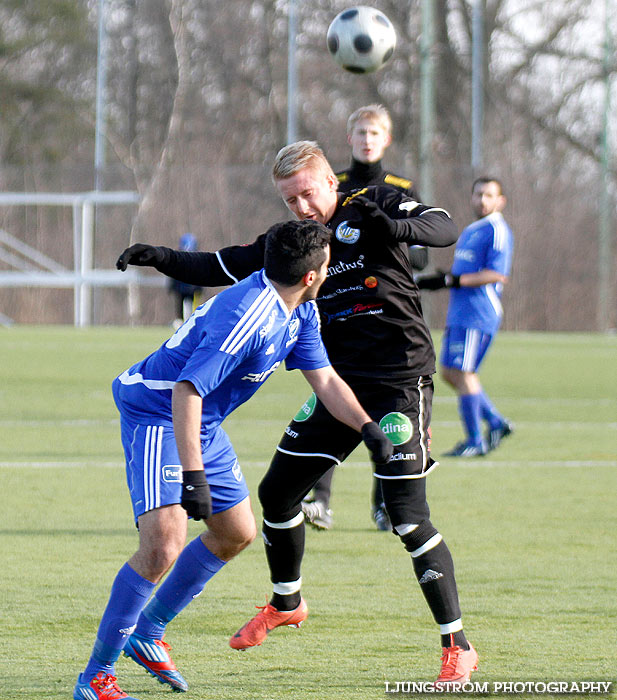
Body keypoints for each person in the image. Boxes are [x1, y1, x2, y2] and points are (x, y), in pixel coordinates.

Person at [116, 141, 479, 685]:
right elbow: (224, 262)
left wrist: (395, 228)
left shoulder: (372, 203)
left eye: (307, 194)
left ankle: (458, 645)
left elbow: (445, 226)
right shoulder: (295, 246)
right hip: (336, 385)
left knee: (407, 517)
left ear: (329, 182)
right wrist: (162, 257)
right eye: (290, 200)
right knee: (278, 493)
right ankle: (286, 602)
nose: (302, 208)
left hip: (401, 382)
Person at [73, 220, 394, 700]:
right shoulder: (249, 315)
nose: (328, 273)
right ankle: (95, 677)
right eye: (326, 267)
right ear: (311, 276)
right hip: (160, 410)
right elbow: (186, 389)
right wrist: (193, 476)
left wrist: (366, 427)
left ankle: (149, 632)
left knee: (236, 533)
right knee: (163, 545)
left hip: (200, 420)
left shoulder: (300, 311)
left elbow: (324, 380)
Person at [306, 104, 428, 531]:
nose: (367, 139)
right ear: (349, 137)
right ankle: (320, 500)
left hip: (385, 315)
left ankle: (384, 503)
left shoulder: (400, 188)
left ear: (386, 139)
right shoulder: (331, 185)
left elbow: (420, 250)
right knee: (334, 399)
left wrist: (407, 241)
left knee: (388, 410)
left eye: (374, 133)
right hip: (337, 308)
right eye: (360, 131)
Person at [417, 177, 514, 457]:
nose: (482, 200)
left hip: (478, 312)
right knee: (451, 372)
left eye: (489, 195)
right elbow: (459, 274)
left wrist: (452, 280)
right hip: (460, 312)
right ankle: (495, 422)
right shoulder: (473, 229)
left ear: (500, 200)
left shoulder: (497, 230)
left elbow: (497, 274)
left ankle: (475, 440)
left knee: (464, 373)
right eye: (478, 194)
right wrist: (443, 280)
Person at [169, 233, 202, 329]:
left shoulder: (198, 258)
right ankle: (181, 321)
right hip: (181, 288)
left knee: (192, 307)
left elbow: (201, 275)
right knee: (180, 306)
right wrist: (173, 286)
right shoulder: (178, 257)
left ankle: (191, 323)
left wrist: (199, 288)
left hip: (192, 289)